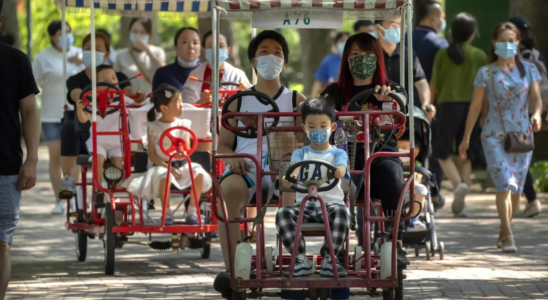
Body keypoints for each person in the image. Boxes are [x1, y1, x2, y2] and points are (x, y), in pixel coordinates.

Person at [213, 30, 306, 298]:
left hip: (284, 166)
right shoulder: (239, 100)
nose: (270, 57)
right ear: (254, 61)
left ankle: (294, 265)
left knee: (290, 178)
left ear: (284, 62)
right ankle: (233, 272)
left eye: (277, 53)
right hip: (247, 167)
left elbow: (307, 140)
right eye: (264, 52)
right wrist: (234, 158)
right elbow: (223, 145)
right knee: (227, 193)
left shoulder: (296, 100)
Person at [320, 33, 409, 267]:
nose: (362, 60)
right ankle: (334, 242)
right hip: (345, 159)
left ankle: (395, 241)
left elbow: (403, 102)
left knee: (392, 171)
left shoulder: (391, 89)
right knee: (333, 174)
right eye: (355, 55)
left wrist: (388, 99)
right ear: (346, 59)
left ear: (378, 58)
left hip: (380, 159)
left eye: (368, 54)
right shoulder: (335, 91)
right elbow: (321, 110)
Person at [459, 22, 542, 253]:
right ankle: (508, 236)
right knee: (505, 183)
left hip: (523, 137)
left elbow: (536, 99)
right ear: (495, 44)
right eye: (503, 41)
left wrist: (536, 115)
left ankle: (504, 230)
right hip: (493, 135)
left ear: (518, 43)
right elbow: (475, 107)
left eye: (512, 41)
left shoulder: (529, 69)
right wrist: (466, 137)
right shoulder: (485, 72)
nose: (508, 45)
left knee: (516, 190)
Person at [59, 33, 138, 212]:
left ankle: (121, 192)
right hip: (89, 128)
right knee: (69, 125)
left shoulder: (117, 76)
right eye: (88, 49)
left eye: (98, 49)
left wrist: (134, 96)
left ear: (107, 53)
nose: (92, 52)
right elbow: (76, 94)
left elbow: (129, 91)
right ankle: (70, 179)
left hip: (116, 132)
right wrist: (91, 98)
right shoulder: (76, 80)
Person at [277, 98, 350, 277]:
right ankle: (300, 258)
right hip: (305, 205)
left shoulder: (337, 153)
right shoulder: (301, 153)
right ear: (304, 129)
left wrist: (340, 170)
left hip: (332, 204)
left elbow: (342, 165)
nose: (317, 130)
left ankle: (329, 258)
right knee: (283, 214)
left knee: (344, 214)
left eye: (323, 125)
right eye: (312, 126)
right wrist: (289, 179)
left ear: (332, 127)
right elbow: (294, 169)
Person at [124, 84, 212, 225]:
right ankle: (167, 213)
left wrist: (181, 151)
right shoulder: (153, 127)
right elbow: (152, 156)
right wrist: (169, 167)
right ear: (164, 108)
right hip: (161, 165)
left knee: (199, 173)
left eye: (182, 100)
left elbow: (187, 150)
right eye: (178, 102)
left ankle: (192, 212)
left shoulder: (184, 124)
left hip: (182, 164)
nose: (182, 104)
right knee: (165, 176)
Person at [0, 0, 41, 297]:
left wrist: (32, 160)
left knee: (1, 243)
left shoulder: (16, 60)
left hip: (5, 167)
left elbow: (29, 111)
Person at [430, 13, 488, 217]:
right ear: (472, 34)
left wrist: (429, 106)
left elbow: (433, 85)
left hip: (447, 107)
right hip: (472, 108)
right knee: (465, 152)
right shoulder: (480, 55)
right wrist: (484, 113)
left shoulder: (442, 54)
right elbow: (485, 90)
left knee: (441, 152)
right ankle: (462, 195)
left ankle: (457, 187)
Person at [32, 20, 85, 214]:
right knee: (56, 157)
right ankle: (59, 200)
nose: (66, 36)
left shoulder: (81, 54)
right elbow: (30, 83)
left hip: (76, 114)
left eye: (69, 32)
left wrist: (82, 62)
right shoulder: (43, 58)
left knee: (76, 157)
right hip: (51, 115)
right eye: (61, 33)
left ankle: (77, 198)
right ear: (53, 37)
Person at [509, 16, 544, 217]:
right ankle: (529, 199)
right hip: (536, 112)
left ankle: (531, 199)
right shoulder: (537, 55)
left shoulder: (517, 57)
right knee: (522, 155)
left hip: (520, 111)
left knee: (520, 157)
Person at [76, 65, 127, 189]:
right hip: (98, 141)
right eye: (105, 81)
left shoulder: (123, 100)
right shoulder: (94, 103)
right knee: (97, 160)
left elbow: (138, 105)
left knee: (119, 167)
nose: (111, 82)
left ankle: (119, 194)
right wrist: (79, 108)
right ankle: (98, 190)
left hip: (117, 142)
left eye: (114, 78)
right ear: (97, 86)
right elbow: (83, 119)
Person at [374, 16, 432, 115]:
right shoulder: (369, 53)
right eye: (393, 24)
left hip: (403, 113)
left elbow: (421, 82)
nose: (397, 28)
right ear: (378, 28)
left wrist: (426, 104)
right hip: (374, 113)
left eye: (400, 24)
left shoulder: (408, 54)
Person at [182, 31, 249, 105]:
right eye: (210, 46)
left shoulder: (238, 75)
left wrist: (247, 91)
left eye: (221, 46)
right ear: (204, 50)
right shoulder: (195, 75)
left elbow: (251, 102)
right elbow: (186, 103)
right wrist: (200, 102)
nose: (216, 50)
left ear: (228, 50)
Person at [114, 18, 166, 94]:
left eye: (142, 32)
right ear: (129, 32)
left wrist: (146, 49)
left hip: (152, 100)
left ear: (149, 34)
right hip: (130, 101)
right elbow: (115, 80)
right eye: (135, 32)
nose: (138, 36)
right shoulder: (121, 55)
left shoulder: (158, 52)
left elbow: (163, 72)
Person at [412, 0, 448, 82]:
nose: (442, 21)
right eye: (441, 17)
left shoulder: (403, 39)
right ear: (432, 20)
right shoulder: (441, 43)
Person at [310, 32, 350, 97]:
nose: (345, 43)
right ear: (336, 44)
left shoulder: (356, 60)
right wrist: (312, 101)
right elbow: (319, 82)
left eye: (347, 41)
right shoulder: (328, 60)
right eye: (342, 41)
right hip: (332, 100)